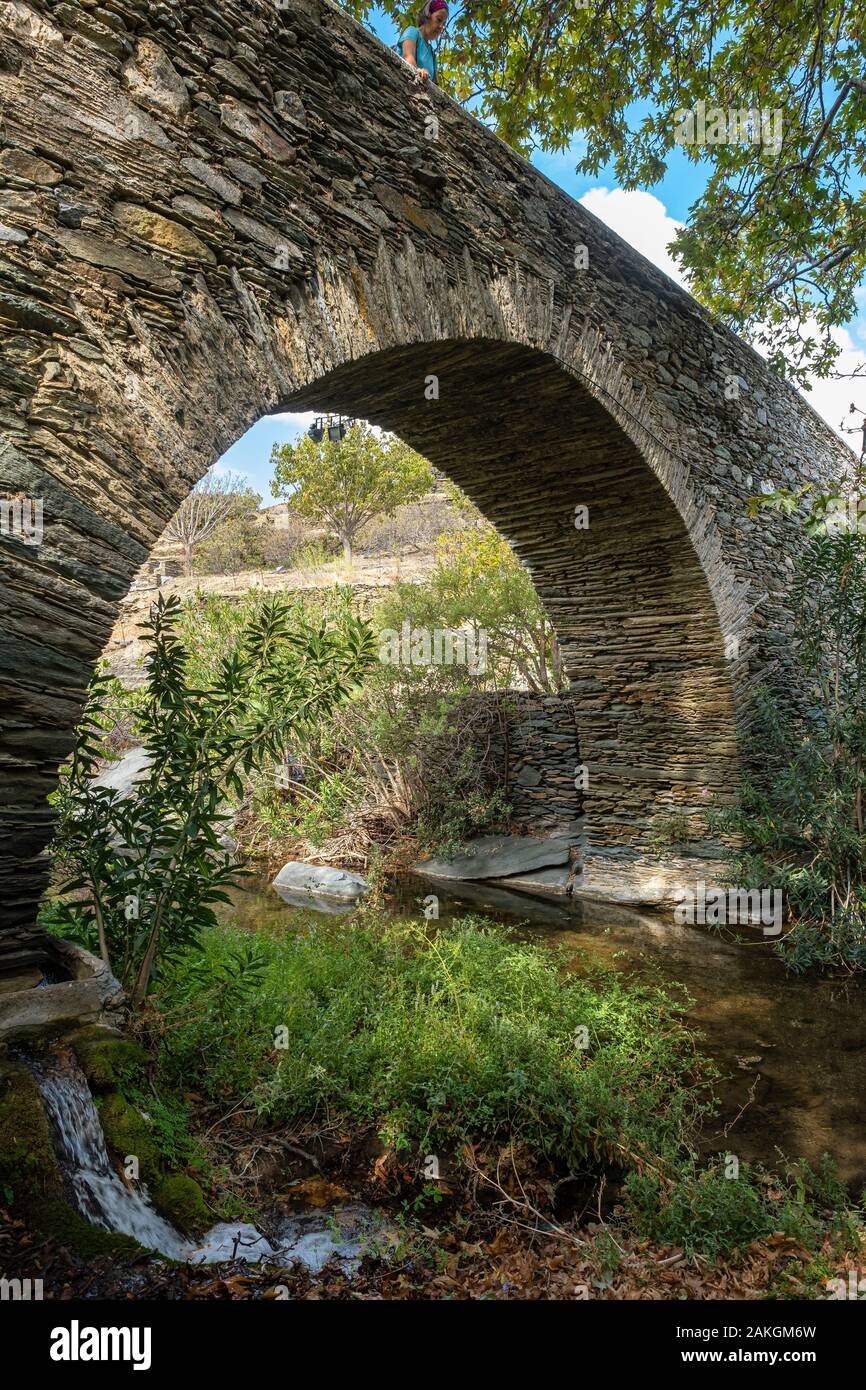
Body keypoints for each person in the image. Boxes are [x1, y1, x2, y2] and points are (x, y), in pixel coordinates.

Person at [398, 0, 448, 83]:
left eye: (444, 24)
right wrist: (418, 71)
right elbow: (407, 57)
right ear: (427, 15)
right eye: (439, 20)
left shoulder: (432, 54)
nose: (441, 26)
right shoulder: (412, 32)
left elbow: (436, 84)